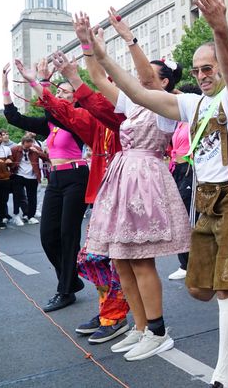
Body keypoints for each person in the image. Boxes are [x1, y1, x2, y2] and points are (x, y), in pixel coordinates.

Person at [90, 0, 228, 388]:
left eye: (208, 68)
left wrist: (220, 28)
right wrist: (100, 51)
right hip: (208, 197)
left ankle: (224, 378)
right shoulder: (189, 105)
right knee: (202, 287)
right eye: (197, 69)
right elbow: (137, 92)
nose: (202, 74)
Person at [65, 9, 191, 361]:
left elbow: (143, 80)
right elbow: (98, 78)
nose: (142, 75)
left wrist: (129, 38)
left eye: (152, 72)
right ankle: (139, 327)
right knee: (120, 260)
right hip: (122, 177)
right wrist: (87, 45)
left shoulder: (166, 106)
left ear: (164, 81)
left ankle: (158, 330)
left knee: (141, 260)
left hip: (146, 179)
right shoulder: (131, 106)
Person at [29, 50, 131, 345]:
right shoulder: (95, 122)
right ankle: (109, 312)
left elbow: (93, 102)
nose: (101, 95)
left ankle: (141, 323)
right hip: (102, 193)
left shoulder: (124, 117)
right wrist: (41, 83)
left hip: (126, 192)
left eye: (109, 89)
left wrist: (84, 64)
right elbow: (66, 112)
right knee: (95, 259)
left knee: (127, 261)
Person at [5, 61, 89, 311]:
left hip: (76, 177)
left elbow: (55, 111)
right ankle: (71, 280)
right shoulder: (50, 125)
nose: (60, 94)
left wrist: (40, 82)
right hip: (55, 180)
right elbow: (14, 117)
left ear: (76, 99)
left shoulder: (77, 120)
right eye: (58, 92)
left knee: (68, 234)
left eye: (65, 92)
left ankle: (65, 291)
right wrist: (5, 87)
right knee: (48, 236)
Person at [167, 84, 202, 282]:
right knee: (179, 215)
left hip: (190, 169)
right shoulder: (180, 122)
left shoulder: (195, 117)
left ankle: (192, 263)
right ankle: (186, 262)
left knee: (189, 216)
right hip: (177, 170)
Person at [9, 134, 47, 225]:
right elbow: (10, 160)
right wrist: (12, 166)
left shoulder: (36, 149)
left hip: (32, 176)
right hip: (19, 175)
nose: (30, 145)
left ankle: (31, 216)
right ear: (23, 143)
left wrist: (38, 152)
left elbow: (46, 158)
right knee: (17, 196)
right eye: (28, 143)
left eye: (32, 143)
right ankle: (16, 215)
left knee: (32, 197)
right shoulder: (15, 149)